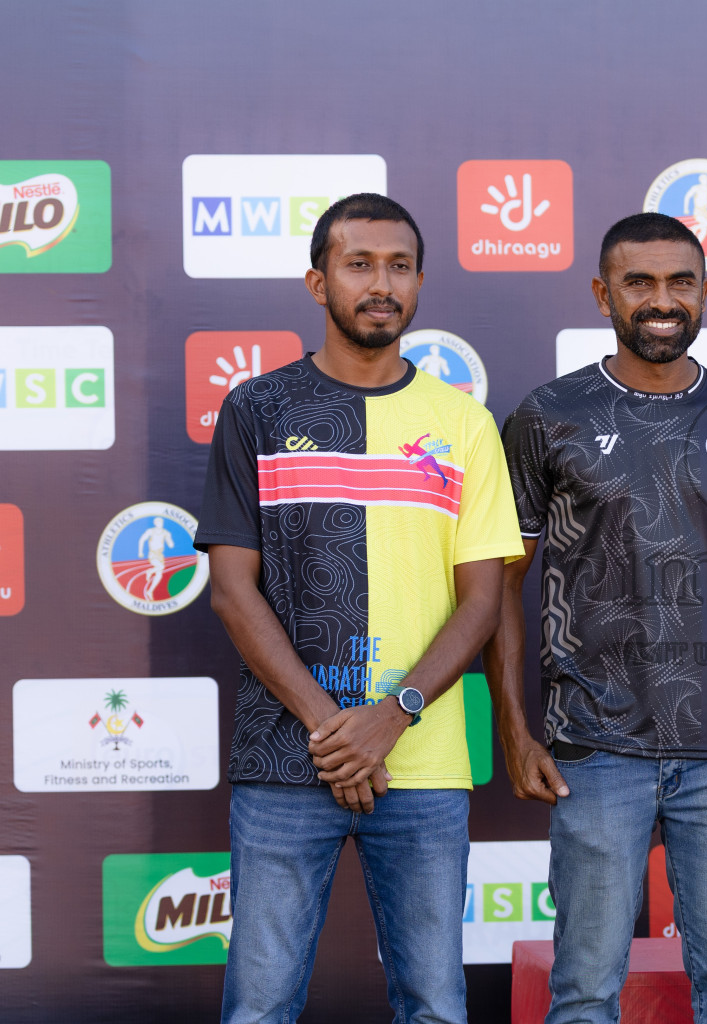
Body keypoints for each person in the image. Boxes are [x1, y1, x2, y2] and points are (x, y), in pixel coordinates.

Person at [195, 193, 522, 1024]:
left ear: (419, 283)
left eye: (400, 266)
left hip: (423, 764)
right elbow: (232, 589)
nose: (382, 284)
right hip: (285, 758)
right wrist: (335, 730)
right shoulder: (256, 409)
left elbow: (483, 601)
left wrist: (394, 715)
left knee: (434, 1006)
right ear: (319, 282)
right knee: (259, 1007)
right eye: (359, 264)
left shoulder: (463, 422)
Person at [486, 212, 707, 1024]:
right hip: (595, 748)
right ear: (603, 295)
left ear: (705, 291)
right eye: (639, 282)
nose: (662, 300)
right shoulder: (548, 415)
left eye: (680, 282)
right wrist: (515, 730)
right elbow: (499, 581)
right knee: (584, 993)